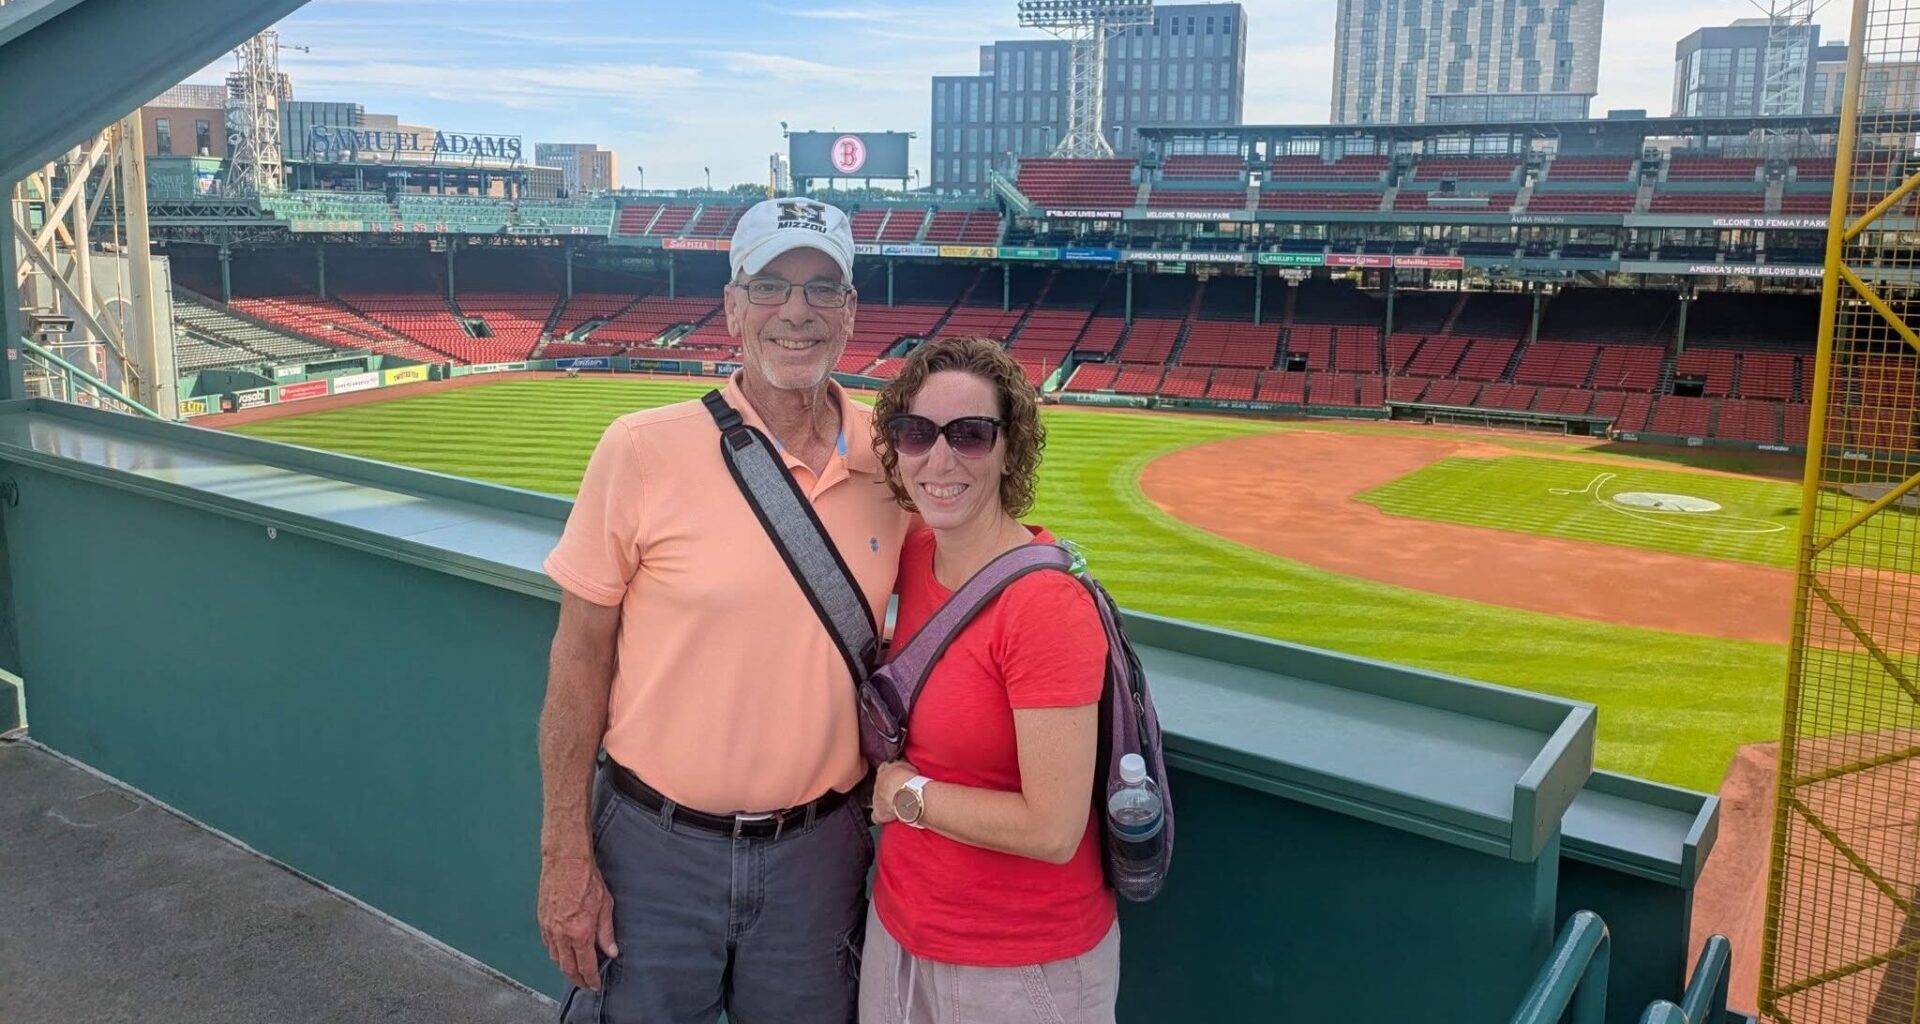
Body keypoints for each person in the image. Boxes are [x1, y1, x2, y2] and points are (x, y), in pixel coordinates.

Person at [537, 197, 911, 1024]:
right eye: (771, 286)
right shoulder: (640, 448)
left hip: (819, 859)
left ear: (850, 313)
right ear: (733, 305)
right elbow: (577, 659)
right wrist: (565, 848)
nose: (797, 313)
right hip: (652, 851)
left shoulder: (896, 460)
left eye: (822, 290)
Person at [859, 336, 1120, 1024]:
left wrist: (904, 793)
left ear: (1009, 450)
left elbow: (1054, 828)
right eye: (915, 433)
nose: (939, 460)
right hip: (899, 935)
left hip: (1021, 968)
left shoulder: (1044, 606)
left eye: (970, 435)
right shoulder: (918, 554)